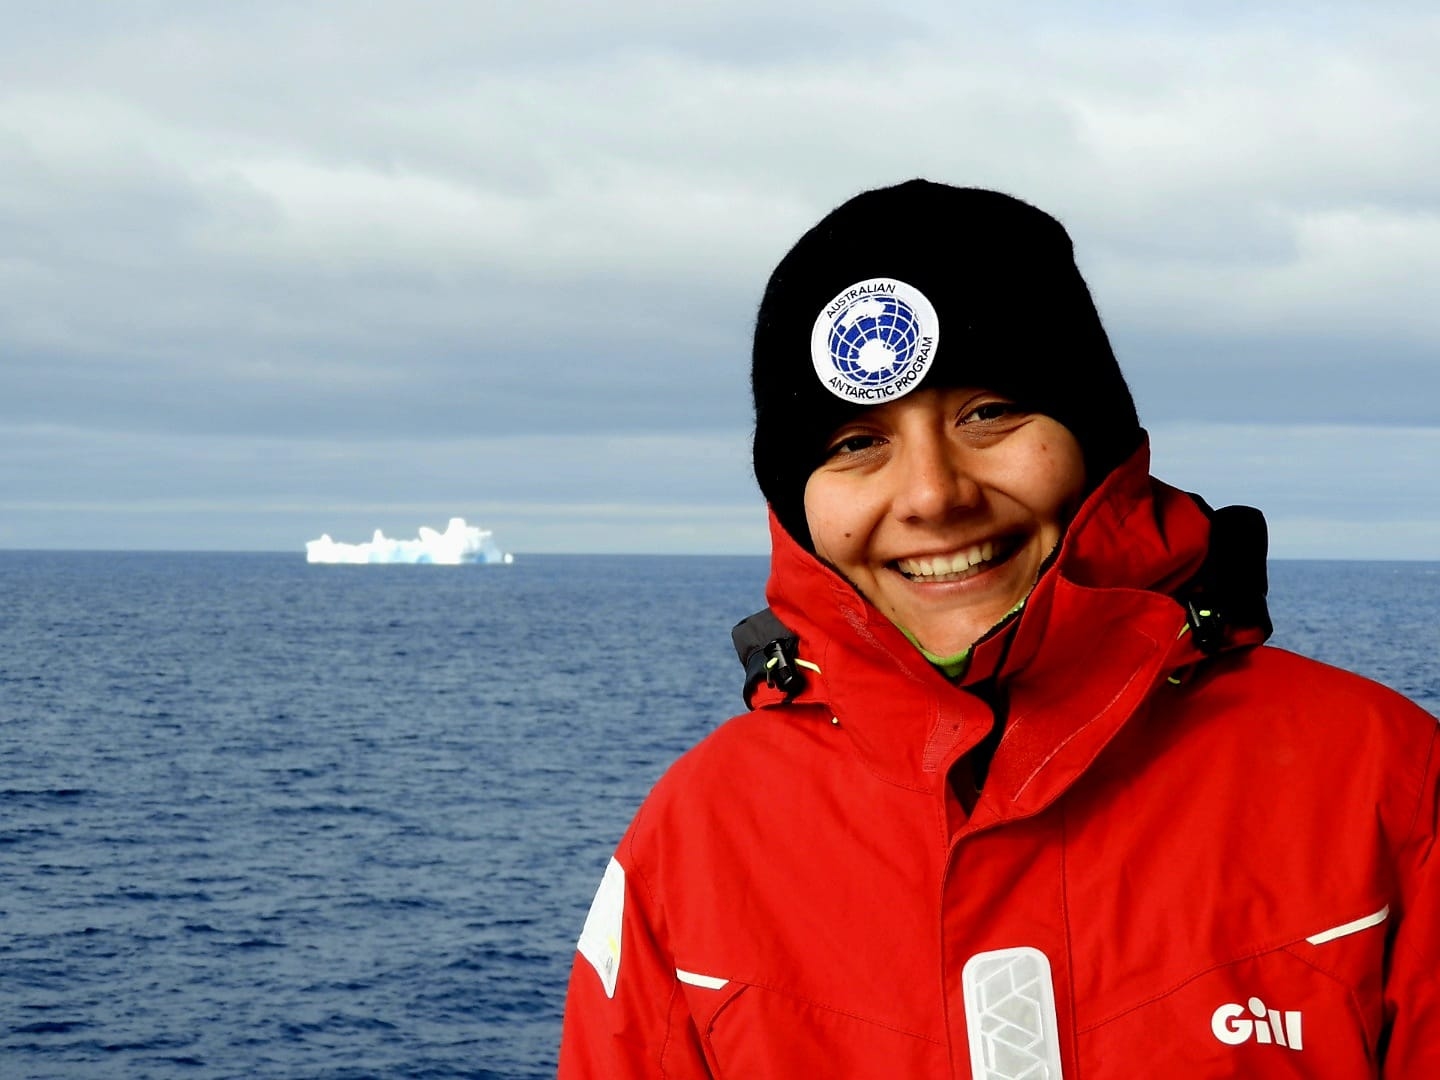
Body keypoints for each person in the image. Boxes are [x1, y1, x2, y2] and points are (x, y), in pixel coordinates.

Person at [556, 180, 1439, 1077]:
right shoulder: (698, 842)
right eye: (856, 443)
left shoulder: (1383, 783)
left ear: (1090, 434)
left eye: (988, 413)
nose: (935, 496)